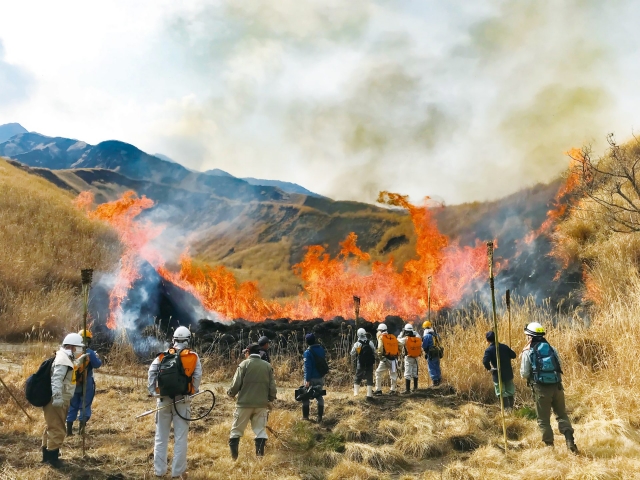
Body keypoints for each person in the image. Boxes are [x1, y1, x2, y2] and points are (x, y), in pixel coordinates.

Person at [148, 326, 202, 478]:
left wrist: (153, 392)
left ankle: (159, 472)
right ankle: (177, 473)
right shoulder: (193, 357)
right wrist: (192, 392)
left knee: (161, 437)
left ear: (174, 340)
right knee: (180, 438)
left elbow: (151, 372)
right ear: (188, 340)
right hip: (182, 402)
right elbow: (197, 378)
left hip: (163, 400)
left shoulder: (163, 356)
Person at [520, 322, 578, 453]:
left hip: (540, 389)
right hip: (557, 387)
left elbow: (524, 374)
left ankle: (550, 448)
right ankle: (570, 442)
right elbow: (560, 365)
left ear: (530, 336)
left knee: (543, 419)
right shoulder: (552, 348)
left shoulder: (528, 352)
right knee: (562, 415)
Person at [42, 332, 85, 467]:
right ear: (72, 346)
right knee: (58, 429)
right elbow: (56, 380)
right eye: (79, 347)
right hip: (57, 401)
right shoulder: (63, 360)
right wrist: (57, 398)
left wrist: (79, 361)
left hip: (59, 399)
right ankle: (52, 460)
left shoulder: (65, 357)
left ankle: (47, 456)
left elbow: (69, 370)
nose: (80, 350)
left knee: (51, 427)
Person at [228, 343, 277, 460]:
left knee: (236, 431)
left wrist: (231, 393)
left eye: (245, 352)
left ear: (248, 352)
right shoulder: (267, 366)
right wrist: (270, 399)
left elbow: (236, 383)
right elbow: (272, 386)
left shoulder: (244, 364)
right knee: (260, 430)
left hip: (244, 404)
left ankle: (234, 459)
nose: (245, 354)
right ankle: (259, 458)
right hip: (261, 404)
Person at [66, 329, 102, 436]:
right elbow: (97, 365)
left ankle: (69, 431)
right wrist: (96, 357)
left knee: (72, 406)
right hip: (87, 383)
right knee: (85, 405)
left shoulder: (71, 351)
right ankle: (81, 430)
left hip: (72, 383)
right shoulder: (89, 352)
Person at [482, 331, 516, 409]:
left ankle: (505, 410)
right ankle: (511, 408)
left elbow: (485, 361)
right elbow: (513, 355)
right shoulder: (504, 347)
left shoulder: (489, 350)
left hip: (497, 374)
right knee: (510, 391)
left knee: (501, 393)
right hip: (508, 373)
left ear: (487, 340)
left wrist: (490, 369)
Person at [302, 333, 327, 421]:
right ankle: (319, 417)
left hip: (311, 377)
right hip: (320, 377)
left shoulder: (307, 352)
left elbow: (308, 367)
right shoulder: (321, 349)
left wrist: (307, 380)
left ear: (307, 342)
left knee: (305, 396)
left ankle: (305, 417)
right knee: (319, 396)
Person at [373, 324, 399, 396]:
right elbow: (399, 345)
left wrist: (381, 357)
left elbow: (380, 349)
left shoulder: (381, 337)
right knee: (393, 374)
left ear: (380, 331)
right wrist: (397, 354)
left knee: (378, 373)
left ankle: (378, 390)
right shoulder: (393, 337)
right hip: (394, 359)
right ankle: (393, 390)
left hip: (385, 359)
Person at [350, 328, 376, 398]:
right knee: (369, 377)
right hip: (369, 362)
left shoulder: (357, 344)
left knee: (358, 376)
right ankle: (369, 394)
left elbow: (352, 353)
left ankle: (356, 394)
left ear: (358, 335)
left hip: (360, 362)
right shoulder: (370, 342)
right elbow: (374, 351)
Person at [398, 324, 422, 394]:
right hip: (416, 357)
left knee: (407, 373)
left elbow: (398, 342)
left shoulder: (405, 339)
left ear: (405, 331)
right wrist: (414, 332)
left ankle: (407, 390)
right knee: (415, 372)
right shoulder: (418, 338)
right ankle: (415, 388)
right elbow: (418, 336)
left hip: (408, 358)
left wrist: (401, 334)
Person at [422, 321, 442, 386]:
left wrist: (425, 351)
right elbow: (439, 342)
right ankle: (439, 380)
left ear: (425, 328)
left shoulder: (427, 336)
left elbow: (424, 346)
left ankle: (435, 381)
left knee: (431, 367)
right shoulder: (436, 335)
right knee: (437, 366)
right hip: (438, 353)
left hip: (431, 354)